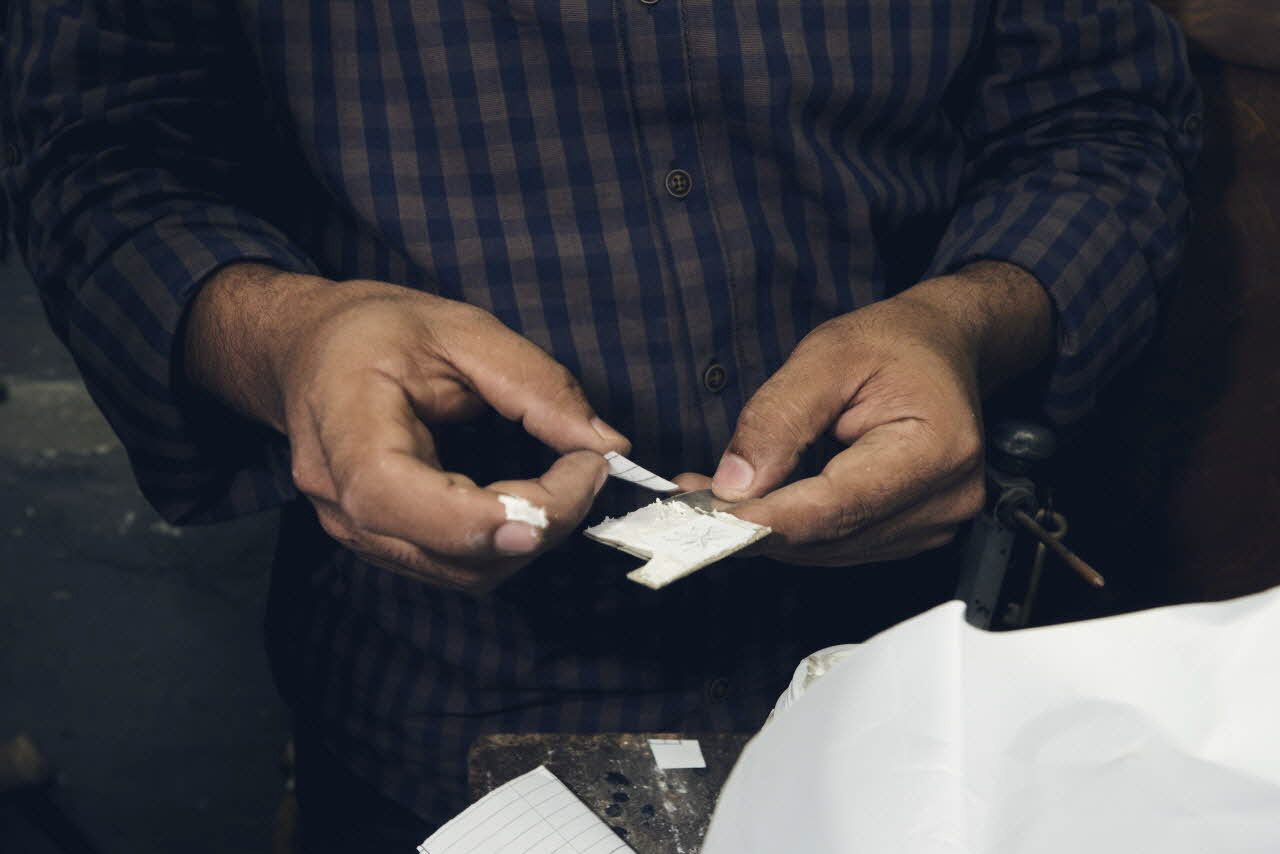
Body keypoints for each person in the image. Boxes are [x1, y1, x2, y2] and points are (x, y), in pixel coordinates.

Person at [3, 0, 1200, 849]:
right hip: (449, 702)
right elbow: (100, 159)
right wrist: (289, 339)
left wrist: (969, 319)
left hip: (947, 666)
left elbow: (1102, 117)